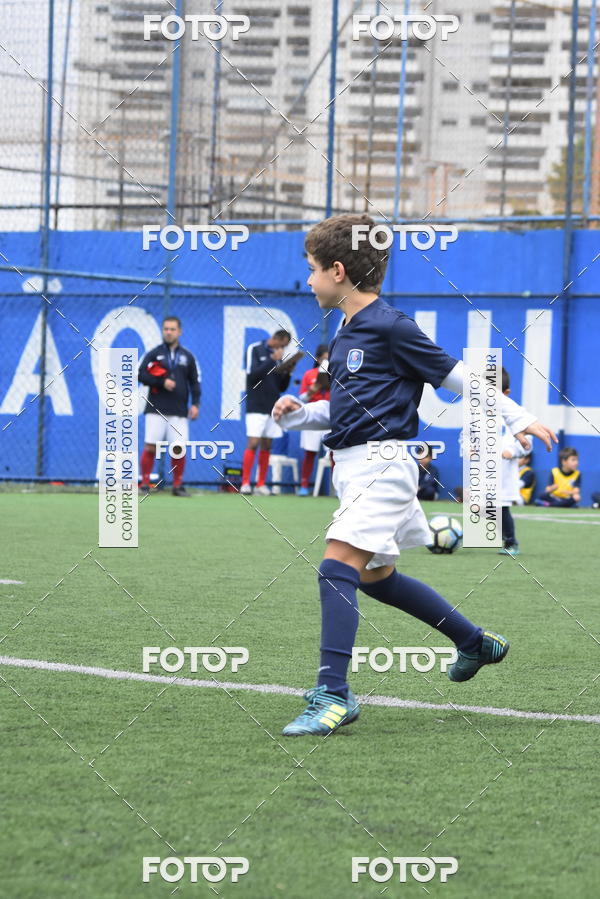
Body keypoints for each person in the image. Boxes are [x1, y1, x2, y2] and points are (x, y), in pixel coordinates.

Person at [272, 213, 557, 736]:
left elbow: (464, 378)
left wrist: (520, 417)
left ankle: (333, 694)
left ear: (338, 271)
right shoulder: (347, 329)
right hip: (359, 468)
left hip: (381, 469)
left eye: (311, 269)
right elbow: (345, 413)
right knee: (377, 579)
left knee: (335, 568)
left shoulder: (391, 325)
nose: (307, 280)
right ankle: (474, 642)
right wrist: (300, 414)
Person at [138, 316, 201, 497]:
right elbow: (141, 375)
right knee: (151, 447)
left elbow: (194, 383)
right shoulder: (154, 353)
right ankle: (144, 484)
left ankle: (177, 485)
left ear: (179, 332)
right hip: (156, 409)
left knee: (178, 448)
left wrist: (196, 404)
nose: (169, 332)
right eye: (166, 329)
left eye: (172, 329)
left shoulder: (187, 357)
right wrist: (160, 382)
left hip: (179, 410)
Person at [241, 329, 296, 495]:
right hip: (256, 405)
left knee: (267, 444)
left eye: (285, 347)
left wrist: (287, 372)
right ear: (276, 339)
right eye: (282, 345)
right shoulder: (255, 349)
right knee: (253, 443)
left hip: (272, 406)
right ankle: (245, 483)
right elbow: (252, 376)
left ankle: (260, 484)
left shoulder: (279, 358)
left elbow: (281, 387)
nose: (283, 349)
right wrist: (271, 359)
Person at [499, 368, 528, 556]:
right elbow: (466, 436)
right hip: (482, 472)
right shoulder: (476, 415)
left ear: (506, 393)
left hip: (503, 472)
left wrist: (513, 450)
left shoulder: (516, 415)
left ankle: (511, 542)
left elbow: (527, 443)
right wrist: (468, 448)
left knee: (501, 507)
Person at [297, 344, 330, 495]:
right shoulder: (309, 374)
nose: (326, 361)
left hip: (331, 415)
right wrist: (312, 391)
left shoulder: (337, 373)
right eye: (324, 358)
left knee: (334, 453)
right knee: (310, 453)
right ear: (317, 359)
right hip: (312, 415)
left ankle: (336, 488)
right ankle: (304, 486)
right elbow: (301, 400)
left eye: (329, 358)